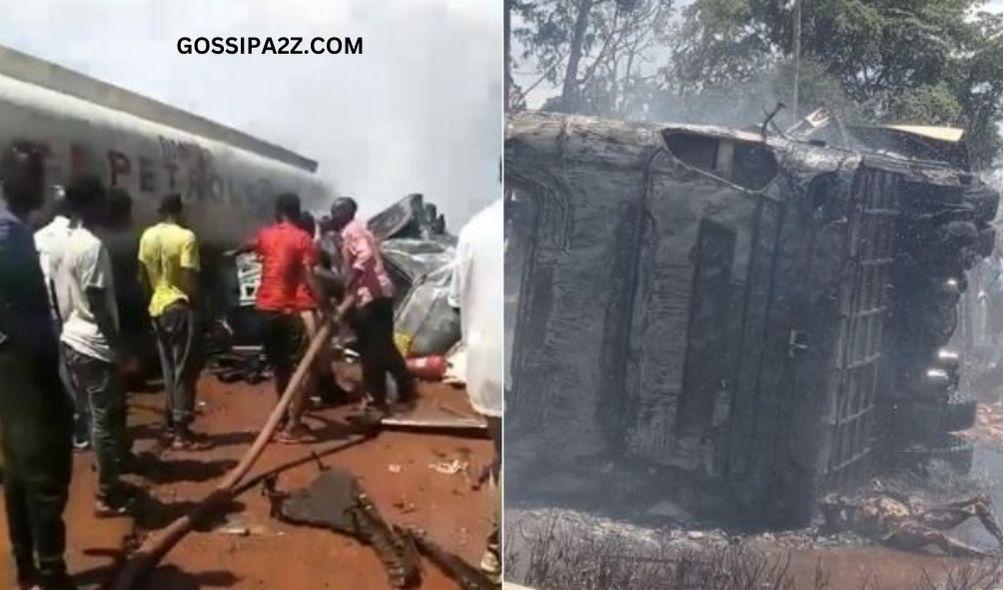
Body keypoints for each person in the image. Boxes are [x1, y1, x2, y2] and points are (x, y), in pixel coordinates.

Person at [0, 142, 74, 589]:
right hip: (21, 363)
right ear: (11, 179)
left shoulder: (13, 229)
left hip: (15, 361)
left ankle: (28, 566)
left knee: (18, 468)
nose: (41, 186)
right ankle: (50, 574)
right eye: (34, 177)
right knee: (45, 466)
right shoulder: (8, 234)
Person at [58, 174, 133, 517]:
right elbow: (98, 301)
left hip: (73, 338)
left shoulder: (68, 241)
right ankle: (108, 493)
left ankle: (109, 475)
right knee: (104, 420)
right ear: (92, 204)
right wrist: (120, 349)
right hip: (93, 342)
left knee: (95, 417)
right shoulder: (92, 246)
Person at [230, 193, 328, 443]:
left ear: (278, 212)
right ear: (297, 212)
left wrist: (233, 251)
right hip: (287, 312)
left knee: (281, 368)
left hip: (264, 311)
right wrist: (327, 306)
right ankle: (293, 425)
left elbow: (251, 244)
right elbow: (310, 276)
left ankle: (284, 418)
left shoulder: (266, 235)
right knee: (310, 369)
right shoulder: (303, 238)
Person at [448, 198, 503, 581]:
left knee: (504, 456)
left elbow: (455, 302)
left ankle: (497, 554)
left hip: (486, 364)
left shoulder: (474, 229)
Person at [329, 197, 414, 416]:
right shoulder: (354, 230)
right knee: (383, 347)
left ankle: (378, 400)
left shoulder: (353, 231)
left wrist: (353, 277)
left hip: (372, 297)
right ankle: (402, 391)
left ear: (347, 213)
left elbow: (365, 255)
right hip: (378, 295)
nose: (333, 215)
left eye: (337, 211)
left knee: (372, 351)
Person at [138, 194, 207, 449]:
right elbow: (189, 276)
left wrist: (151, 300)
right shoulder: (185, 237)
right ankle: (181, 432)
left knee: (168, 368)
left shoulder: (147, 236)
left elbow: (142, 276)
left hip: (157, 306)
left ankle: (170, 425)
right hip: (179, 305)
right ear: (179, 211)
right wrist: (197, 305)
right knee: (184, 369)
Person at [34, 194, 91, 450]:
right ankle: (82, 428)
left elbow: (44, 279)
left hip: (47, 314)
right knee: (76, 376)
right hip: (72, 313)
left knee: (59, 375)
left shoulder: (40, 237)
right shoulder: (77, 236)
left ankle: (73, 428)